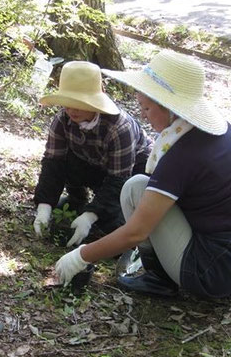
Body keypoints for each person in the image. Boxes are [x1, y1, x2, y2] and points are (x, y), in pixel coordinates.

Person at [54, 50, 231, 299]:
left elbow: (136, 232)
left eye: (146, 107)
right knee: (139, 185)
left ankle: (159, 278)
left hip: (214, 272)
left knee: (135, 189)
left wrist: (81, 256)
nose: (142, 115)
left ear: (170, 108)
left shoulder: (182, 153)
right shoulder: (212, 132)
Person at [33, 61, 152, 247]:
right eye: (68, 103)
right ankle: (77, 200)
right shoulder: (62, 121)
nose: (72, 110)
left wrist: (91, 216)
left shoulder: (119, 128)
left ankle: (97, 214)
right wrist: (44, 206)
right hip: (93, 163)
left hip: (131, 171)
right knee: (64, 160)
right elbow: (53, 164)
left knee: (114, 227)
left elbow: (119, 179)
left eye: (79, 104)